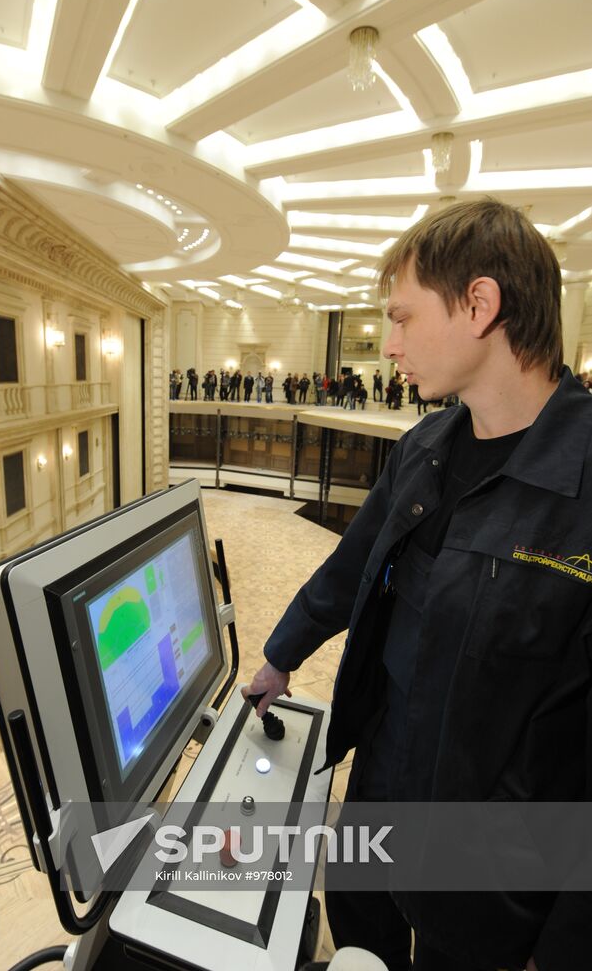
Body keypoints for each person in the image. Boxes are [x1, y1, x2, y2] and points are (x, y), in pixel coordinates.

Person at [244, 198, 592, 971]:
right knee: (359, 940)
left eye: (401, 319)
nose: (389, 346)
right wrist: (281, 653)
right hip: (383, 781)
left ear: (479, 305)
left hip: (491, 869)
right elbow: (354, 565)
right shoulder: (426, 443)